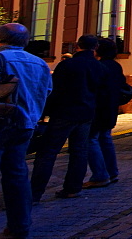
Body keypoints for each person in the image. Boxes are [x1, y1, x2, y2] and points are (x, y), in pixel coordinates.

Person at [0, 23, 52, 238]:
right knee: (17, 174)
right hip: (25, 125)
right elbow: (47, 91)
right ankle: (19, 226)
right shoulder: (41, 64)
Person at [31, 34, 108, 201]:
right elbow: (102, 93)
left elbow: (54, 91)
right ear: (95, 48)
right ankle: (73, 188)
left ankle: (35, 192)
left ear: (77, 46)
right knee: (79, 152)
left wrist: (44, 114)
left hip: (64, 112)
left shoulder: (67, 65)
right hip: (86, 114)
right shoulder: (100, 67)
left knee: (47, 152)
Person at [86, 38, 128, 188]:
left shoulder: (99, 66)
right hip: (111, 106)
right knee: (105, 137)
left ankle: (100, 175)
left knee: (91, 139)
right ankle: (112, 172)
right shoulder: (116, 66)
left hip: (98, 107)